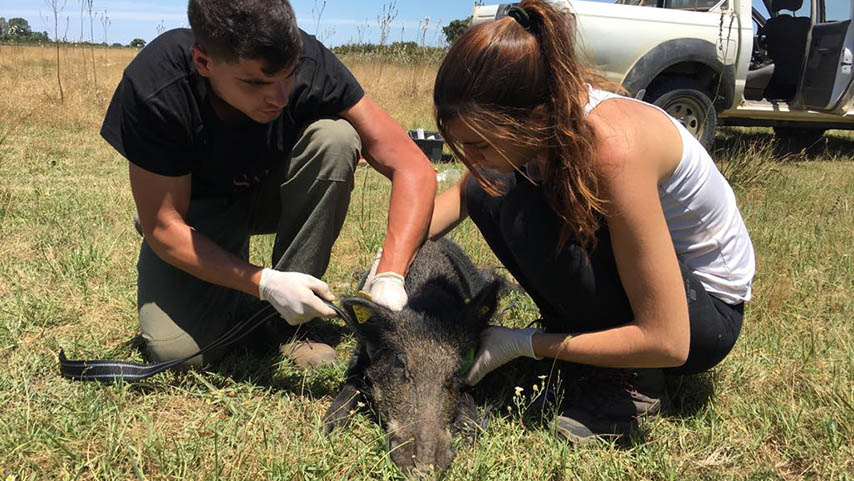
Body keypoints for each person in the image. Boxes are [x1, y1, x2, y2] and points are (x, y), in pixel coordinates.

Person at [429, 0, 754, 441]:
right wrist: (388, 265)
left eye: (479, 144)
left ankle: (634, 384)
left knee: (520, 209)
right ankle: (588, 340)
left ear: (530, 118)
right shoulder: (544, 121)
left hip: (702, 315)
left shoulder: (613, 148)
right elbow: (460, 195)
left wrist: (525, 345)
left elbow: (670, 339)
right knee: (487, 191)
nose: (472, 158)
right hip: (657, 292)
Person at [100, 0, 436, 369]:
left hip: (272, 192)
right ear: (204, 62)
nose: (280, 97)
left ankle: (289, 324)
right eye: (255, 82)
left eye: (288, 75)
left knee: (336, 140)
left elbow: (412, 165)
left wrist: (390, 274)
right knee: (178, 353)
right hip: (197, 209)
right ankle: (238, 283)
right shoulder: (157, 85)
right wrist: (263, 284)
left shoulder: (309, 61)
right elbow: (164, 228)